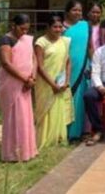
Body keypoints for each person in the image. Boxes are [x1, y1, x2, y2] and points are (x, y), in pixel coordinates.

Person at [0, 14, 37, 162]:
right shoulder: (5, 40)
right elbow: (6, 64)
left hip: (26, 85)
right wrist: (25, 79)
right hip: (13, 85)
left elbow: (34, 58)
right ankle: (13, 153)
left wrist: (32, 78)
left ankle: (27, 150)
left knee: (25, 117)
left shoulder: (27, 40)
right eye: (22, 29)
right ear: (13, 25)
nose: (24, 32)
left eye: (27, 29)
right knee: (14, 117)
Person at [35, 14, 73, 150]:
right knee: (46, 110)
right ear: (48, 27)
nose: (58, 30)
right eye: (55, 27)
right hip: (46, 83)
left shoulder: (65, 41)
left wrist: (66, 80)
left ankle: (57, 138)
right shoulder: (41, 42)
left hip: (61, 83)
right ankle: (44, 139)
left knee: (59, 109)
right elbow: (39, 66)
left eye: (60, 27)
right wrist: (52, 85)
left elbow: (68, 62)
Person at [63, 0, 90, 141]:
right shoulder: (60, 27)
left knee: (80, 100)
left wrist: (92, 65)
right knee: (66, 98)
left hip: (83, 67)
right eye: (74, 10)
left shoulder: (85, 26)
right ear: (67, 12)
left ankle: (78, 132)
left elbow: (90, 47)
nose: (78, 13)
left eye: (80, 10)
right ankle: (64, 131)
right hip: (65, 68)